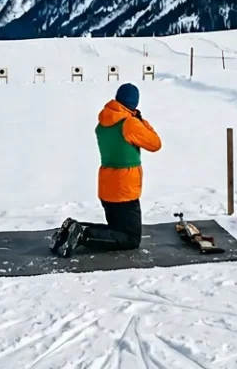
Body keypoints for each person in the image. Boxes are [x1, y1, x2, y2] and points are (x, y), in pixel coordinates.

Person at [52, 83, 162, 257]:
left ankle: (73, 229)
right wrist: (142, 121)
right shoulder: (130, 123)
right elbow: (155, 143)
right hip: (125, 187)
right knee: (130, 239)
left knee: (116, 230)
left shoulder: (102, 123)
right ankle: (82, 234)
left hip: (107, 184)